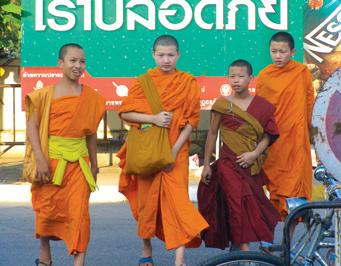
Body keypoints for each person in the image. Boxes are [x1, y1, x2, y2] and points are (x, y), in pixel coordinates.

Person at [117, 35, 208, 266]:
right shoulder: (143, 82)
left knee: (178, 203)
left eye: (170, 55)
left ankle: (179, 259)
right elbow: (125, 113)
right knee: (147, 203)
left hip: (176, 152)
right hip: (149, 152)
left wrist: (175, 151)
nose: (166, 60)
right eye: (161, 55)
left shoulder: (187, 82)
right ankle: (146, 251)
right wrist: (154, 118)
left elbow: (192, 120)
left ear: (178, 55)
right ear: (153, 55)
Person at [25, 43, 105, 266]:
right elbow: (32, 127)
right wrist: (40, 160)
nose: (78, 65)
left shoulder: (91, 97)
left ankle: (79, 262)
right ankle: (45, 258)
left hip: (79, 165)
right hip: (50, 161)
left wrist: (95, 165)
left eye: (82, 61)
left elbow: (90, 133)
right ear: (60, 64)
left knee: (80, 216)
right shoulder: (44, 95)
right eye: (72, 61)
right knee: (46, 210)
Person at [198, 59, 280, 251]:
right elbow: (212, 133)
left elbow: (270, 134)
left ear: (250, 78)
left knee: (257, 205)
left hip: (252, 165)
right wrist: (207, 164)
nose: (236, 80)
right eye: (232, 76)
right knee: (237, 205)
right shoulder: (222, 104)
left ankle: (250, 247)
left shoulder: (262, 106)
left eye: (241, 76)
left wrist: (254, 154)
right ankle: (245, 253)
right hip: (229, 164)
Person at [256, 32, 314, 221]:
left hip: (297, 140)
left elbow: (309, 103)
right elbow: (260, 110)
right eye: (274, 51)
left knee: (295, 193)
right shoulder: (265, 75)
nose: (277, 56)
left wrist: (313, 131)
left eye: (282, 51)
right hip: (274, 142)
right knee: (275, 190)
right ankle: (269, 244)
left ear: (293, 52)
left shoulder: (301, 72)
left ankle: (291, 245)